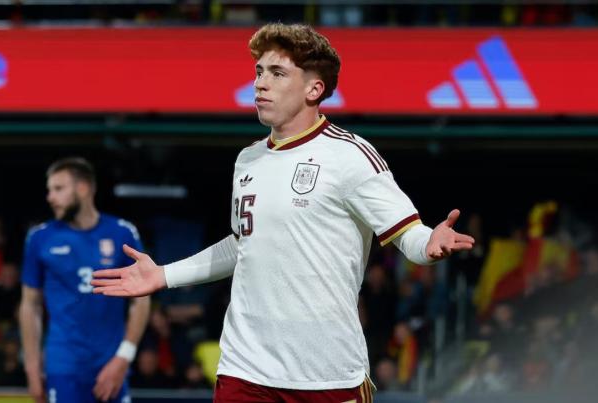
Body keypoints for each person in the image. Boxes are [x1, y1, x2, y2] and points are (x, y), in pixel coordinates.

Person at [92, 23, 474, 402]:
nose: (260, 84)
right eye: (259, 72)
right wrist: (164, 275)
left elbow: (408, 234)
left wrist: (429, 243)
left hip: (327, 374)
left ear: (314, 89)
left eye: (277, 73)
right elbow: (243, 245)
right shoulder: (248, 159)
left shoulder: (350, 156)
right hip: (244, 370)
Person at [19, 157, 150, 403]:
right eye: (49, 190)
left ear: (83, 188)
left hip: (111, 363)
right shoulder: (40, 238)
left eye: (58, 189)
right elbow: (30, 305)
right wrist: (32, 367)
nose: (50, 197)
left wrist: (124, 357)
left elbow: (141, 300)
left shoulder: (122, 233)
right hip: (63, 365)